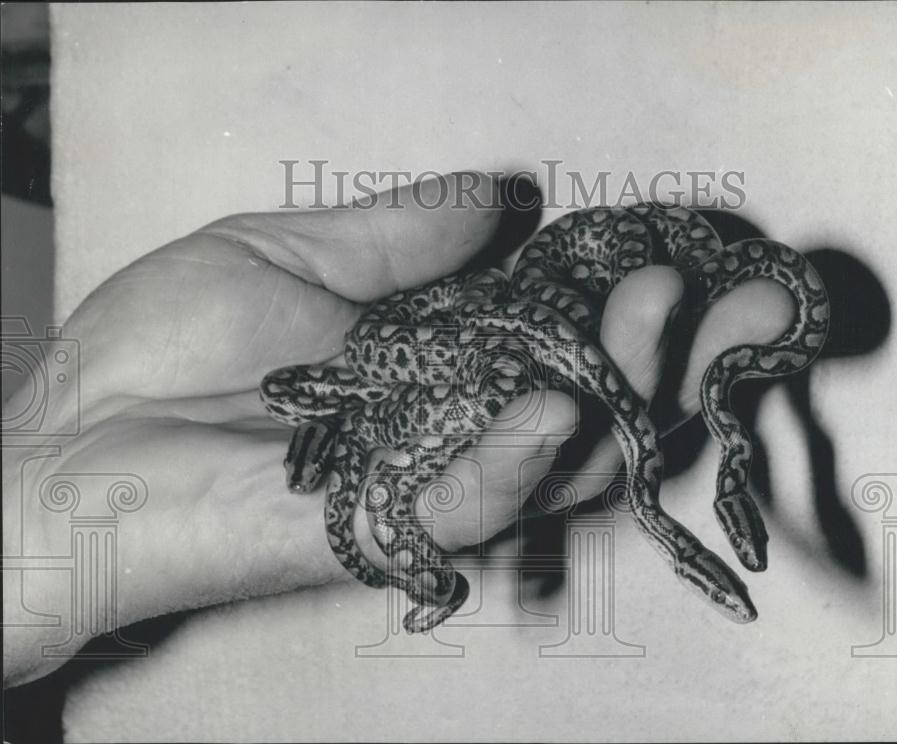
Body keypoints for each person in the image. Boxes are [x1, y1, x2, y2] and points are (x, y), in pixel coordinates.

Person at [2, 172, 792, 688]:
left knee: (552, 402)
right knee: (541, 413)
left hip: (475, 345)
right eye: (710, 575)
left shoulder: (438, 348)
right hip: (447, 358)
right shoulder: (366, 373)